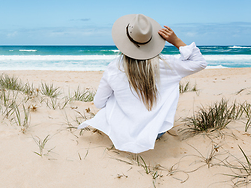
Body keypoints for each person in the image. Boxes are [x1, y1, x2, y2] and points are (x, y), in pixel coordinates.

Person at [78, 14, 207, 153]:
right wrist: (176, 41)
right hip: (156, 132)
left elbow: (98, 103)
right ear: (151, 40)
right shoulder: (168, 65)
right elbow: (199, 62)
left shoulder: (114, 68)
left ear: (124, 40)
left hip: (120, 131)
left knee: (113, 96)